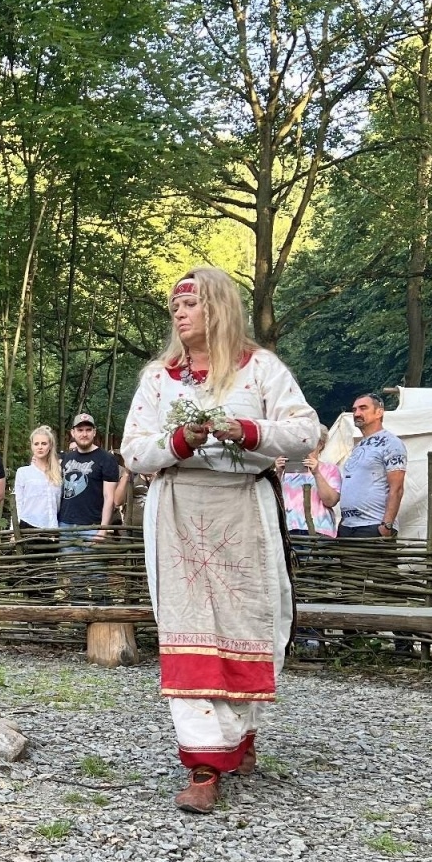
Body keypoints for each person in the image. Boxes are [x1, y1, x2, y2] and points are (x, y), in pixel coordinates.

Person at [122, 267, 319, 815]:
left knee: (250, 625)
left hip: (243, 510)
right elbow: (133, 451)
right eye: (175, 306)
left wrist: (248, 431)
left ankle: (240, 738)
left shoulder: (260, 370)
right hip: (180, 508)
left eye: (191, 303)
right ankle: (205, 764)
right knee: (189, 630)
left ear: (218, 308)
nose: (180, 314)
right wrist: (179, 440)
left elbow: (308, 434)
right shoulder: (160, 379)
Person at [337, 392, 406, 538]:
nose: (357, 413)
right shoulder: (358, 446)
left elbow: (397, 488)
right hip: (348, 526)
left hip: (373, 525)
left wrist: (387, 525)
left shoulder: (391, 443)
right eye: (354, 409)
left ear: (379, 412)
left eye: (363, 408)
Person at [58, 413, 122, 543]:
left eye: (88, 430)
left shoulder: (106, 459)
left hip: (93, 526)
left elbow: (109, 497)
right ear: (72, 433)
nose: (84, 434)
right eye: (80, 430)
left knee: (94, 563)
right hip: (66, 525)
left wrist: (103, 529)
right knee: (68, 563)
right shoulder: (67, 458)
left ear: (94, 432)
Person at [275, 426, 341, 537]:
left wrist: (316, 473)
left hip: (319, 530)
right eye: (300, 442)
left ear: (320, 445)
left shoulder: (330, 469)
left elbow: (331, 501)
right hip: (287, 530)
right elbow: (272, 500)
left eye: (309, 442)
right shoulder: (286, 470)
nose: (303, 447)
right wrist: (278, 472)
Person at [13, 425, 62, 529]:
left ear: (50, 446)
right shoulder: (23, 473)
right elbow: (19, 503)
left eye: (44, 443)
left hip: (51, 526)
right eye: (36, 444)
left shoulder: (58, 472)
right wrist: (14, 529)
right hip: (27, 525)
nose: (40, 447)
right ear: (31, 446)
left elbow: (58, 504)